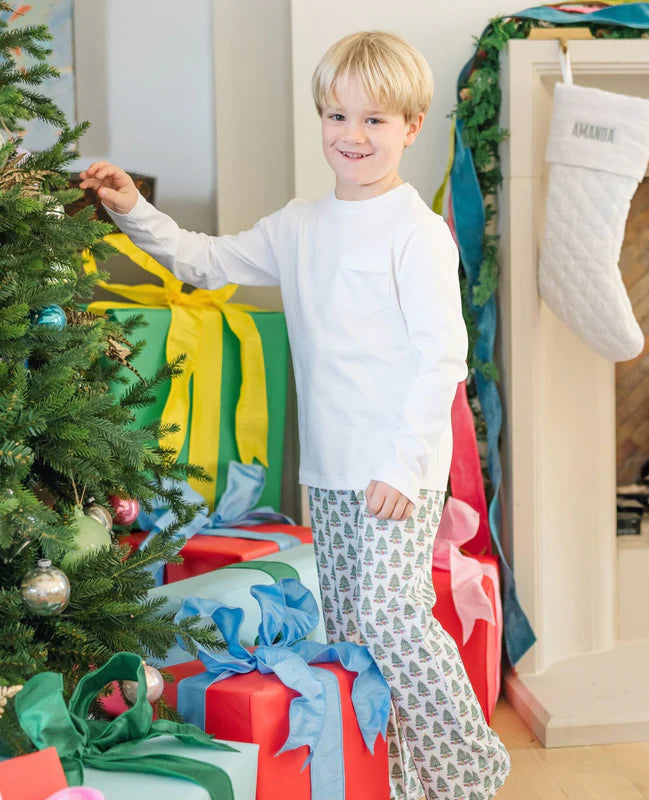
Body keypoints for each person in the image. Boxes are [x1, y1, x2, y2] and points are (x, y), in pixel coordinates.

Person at [80, 30, 510, 800]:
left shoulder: (415, 234)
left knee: (392, 620)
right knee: (352, 638)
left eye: (375, 121)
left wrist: (405, 466)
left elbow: (440, 357)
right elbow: (202, 259)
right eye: (336, 117)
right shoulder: (301, 225)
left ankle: (475, 772)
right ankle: (410, 780)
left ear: (412, 127)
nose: (352, 136)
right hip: (331, 467)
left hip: (394, 471)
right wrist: (132, 208)